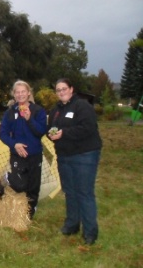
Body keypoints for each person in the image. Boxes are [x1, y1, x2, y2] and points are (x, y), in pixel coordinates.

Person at [47, 78, 102, 245]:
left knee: (84, 192)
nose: (61, 92)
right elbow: (51, 128)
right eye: (58, 90)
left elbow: (88, 128)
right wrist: (51, 133)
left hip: (85, 155)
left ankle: (90, 231)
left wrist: (64, 133)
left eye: (64, 88)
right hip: (64, 156)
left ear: (71, 89)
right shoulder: (55, 110)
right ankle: (72, 224)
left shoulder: (82, 106)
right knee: (69, 191)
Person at [0, 80, 47, 219]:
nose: (20, 94)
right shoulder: (10, 113)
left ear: (28, 93)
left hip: (34, 154)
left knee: (33, 185)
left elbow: (41, 131)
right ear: (14, 94)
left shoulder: (38, 111)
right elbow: (2, 133)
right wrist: (14, 144)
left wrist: (29, 118)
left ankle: (31, 210)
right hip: (17, 154)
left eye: (23, 92)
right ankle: (5, 178)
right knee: (20, 185)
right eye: (17, 92)